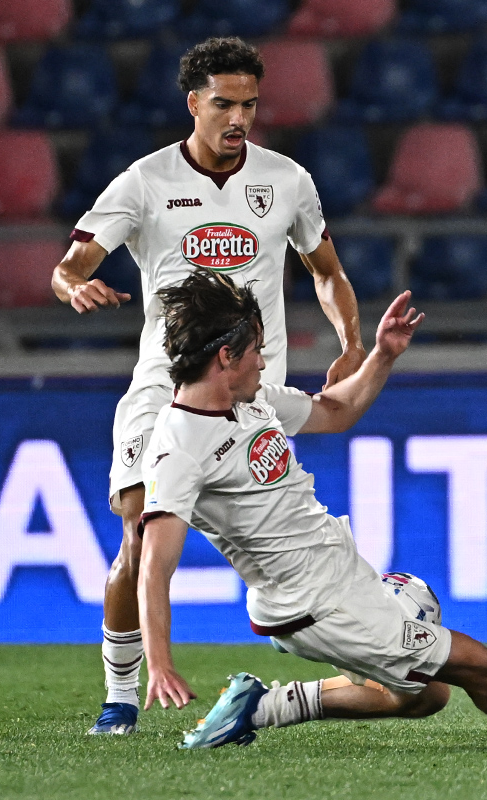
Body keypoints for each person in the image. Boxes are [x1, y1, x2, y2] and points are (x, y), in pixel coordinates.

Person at [136, 269, 487, 752]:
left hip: (341, 577)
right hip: (317, 605)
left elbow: (335, 411)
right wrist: (158, 662)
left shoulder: (248, 401)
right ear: (225, 357)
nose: (264, 362)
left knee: (424, 695)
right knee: (480, 664)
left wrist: (381, 354)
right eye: (255, 352)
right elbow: (154, 565)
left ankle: (261, 706)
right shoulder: (179, 447)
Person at [49, 37, 367, 736]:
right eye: (224, 103)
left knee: (283, 540)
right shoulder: (144, 181)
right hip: (164, 392)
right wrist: (75, 286)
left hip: (254, 396)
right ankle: (121, 696)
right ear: (193, 102)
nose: (238, 118)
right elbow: (71, 262)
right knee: (137, 533)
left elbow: (326, 271)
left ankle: (342, 654)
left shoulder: (286, 180)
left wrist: (352, 340)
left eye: (249, 104)